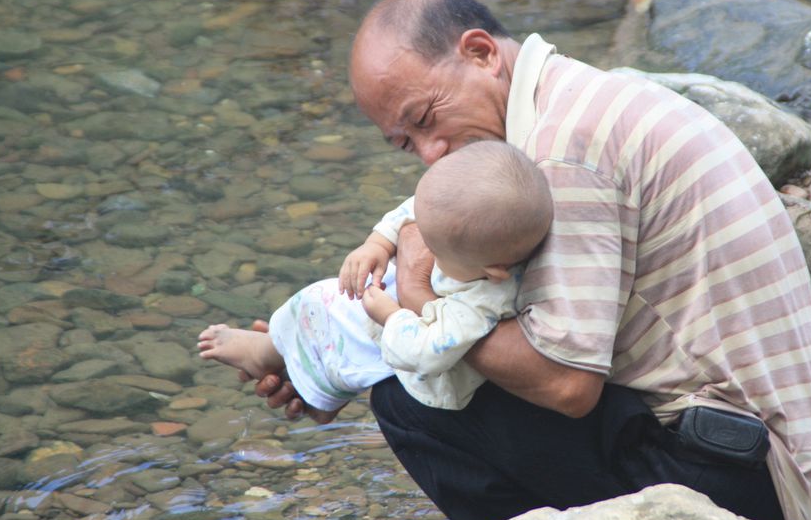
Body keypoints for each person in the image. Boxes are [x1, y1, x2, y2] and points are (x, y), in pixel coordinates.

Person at [251, 0, 811, 520]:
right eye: (407, 143)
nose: (429, 155)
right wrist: (326, 359)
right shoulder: (573, 99)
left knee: (409, 399)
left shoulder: (563, 154)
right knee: (416, 361)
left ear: (481, 53)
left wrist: (410, 301)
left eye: (427, 119)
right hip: (767, 451)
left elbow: (566, 385)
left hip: (758, 483)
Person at [200, 140, 552, 416]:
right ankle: (298, 365)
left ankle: (266, 354)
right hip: (413, 308)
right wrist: (379, 243)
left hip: (426, 365)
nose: (421, 246)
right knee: (334, 309)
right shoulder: (476, 227)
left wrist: (391, 315)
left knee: (325, 305)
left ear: (494, 273)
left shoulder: (483, 303)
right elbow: (414, 208)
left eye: (433, 246)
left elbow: (428, 354)